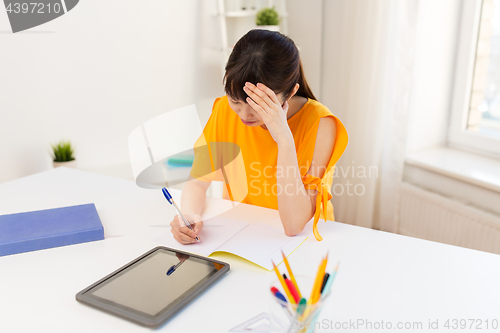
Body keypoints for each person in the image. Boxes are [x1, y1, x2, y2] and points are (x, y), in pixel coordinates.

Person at [170, 29, 348, 244]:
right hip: (242, 234)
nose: (244, 115)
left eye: (258, 105)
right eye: (236, 101)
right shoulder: (224, 111)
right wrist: (189, 214)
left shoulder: (321, 124)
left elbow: (294, 225)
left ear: (290, 93)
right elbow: (198, 182)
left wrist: (284, 139)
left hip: (305, 242)